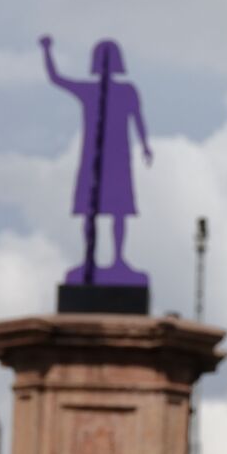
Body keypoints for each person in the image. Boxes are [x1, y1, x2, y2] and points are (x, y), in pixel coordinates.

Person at [40, 35, 151, 285]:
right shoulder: (89, 91)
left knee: (119, 211)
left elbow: (138, 119)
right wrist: (47, 51)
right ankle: (90, 259)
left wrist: (145, 145)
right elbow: (56, 78)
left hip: (118, 157)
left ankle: (118, 259)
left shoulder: (126, 91)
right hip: (94, 156)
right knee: (91, 211)